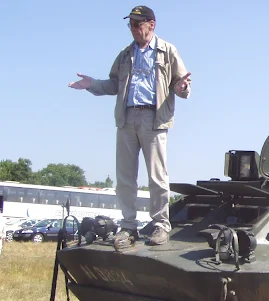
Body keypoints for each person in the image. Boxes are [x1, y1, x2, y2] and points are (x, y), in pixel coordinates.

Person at [68, 5, 192, 249]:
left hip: (154, 119)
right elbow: (114, 85)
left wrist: (182, 88)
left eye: (137, 24)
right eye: (130, 25)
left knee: (157, 177)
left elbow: (182, 83)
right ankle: (128, 226)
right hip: (126, 119)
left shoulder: (167, 51)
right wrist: (91, 84)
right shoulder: (125, 54)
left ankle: (160, 225)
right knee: (125, 178)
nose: (133, 29)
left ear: (151, 24)